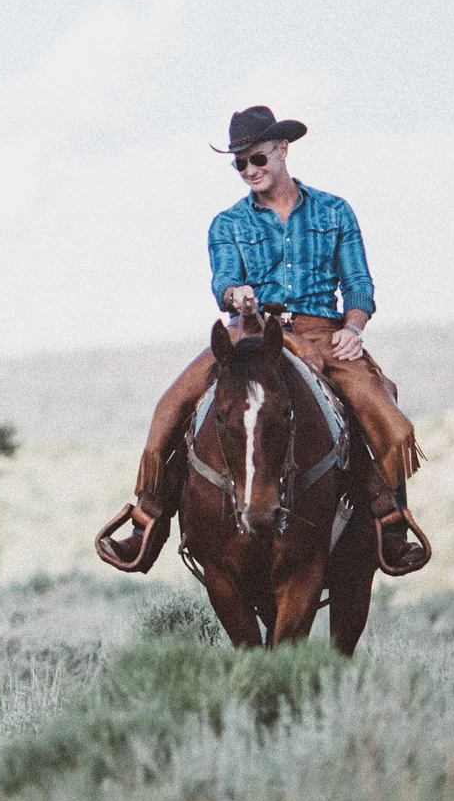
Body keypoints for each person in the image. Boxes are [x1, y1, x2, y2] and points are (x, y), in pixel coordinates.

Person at [101, 105, 433, 575]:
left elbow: (359, 286)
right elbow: (224, 283)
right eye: (239, 164)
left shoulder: (335, 211)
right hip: (252, 333)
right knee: (173, 403)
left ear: (282, 150)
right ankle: (146, 519)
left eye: (256, 159)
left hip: (322, 332)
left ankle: (391, 523)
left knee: (385, 411)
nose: (249, 171)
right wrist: (238, 296)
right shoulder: (227, 223)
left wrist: (353, 330)